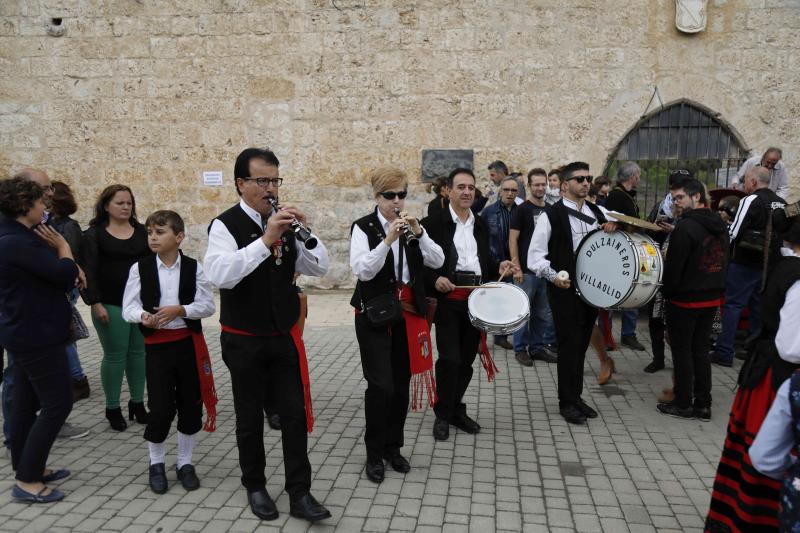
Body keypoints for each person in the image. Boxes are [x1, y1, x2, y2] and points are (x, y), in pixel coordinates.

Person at [204, 147, 331, 522]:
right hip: (243, 338)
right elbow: (220, 274)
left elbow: (320, 267)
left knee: (293, 415)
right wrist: (265, 239)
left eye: (275, 180)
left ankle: (300, 492)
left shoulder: (283, 222)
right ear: (241, 183)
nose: (270, 188)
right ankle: (255, 486)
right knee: (248, 418)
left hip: (282, 336)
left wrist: (306, 233)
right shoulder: (224, 225)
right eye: (262, 180)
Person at [349, 167, 444, 483]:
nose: (397, 201)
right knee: (381, 387)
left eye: (402, 194)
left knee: (401, 385)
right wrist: (387, 240)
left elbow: (437, 260)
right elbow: (363, 270)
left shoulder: (412, 227)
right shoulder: (363, 228)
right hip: (374, 316)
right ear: (377, 197)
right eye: (390, 196)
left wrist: (419, 233)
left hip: (407, 314)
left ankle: (393, 447)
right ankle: (374, 453)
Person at [705, 217, 800, 533]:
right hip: (778, 382)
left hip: (769, 376)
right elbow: (791, 346)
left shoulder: (786, 266)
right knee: (763, 464)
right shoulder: (796, 276)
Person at [122, 210, 216, 494]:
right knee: (161, 407)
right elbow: (128, 306)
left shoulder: (192, 267)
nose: (153, 237)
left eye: (160, 232)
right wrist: (143, 317)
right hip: (157, 347)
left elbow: (208, 305)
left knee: (190, 404)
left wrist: (181, 310)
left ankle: (185, 462)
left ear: (179, 237)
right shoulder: (140, 268)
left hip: (187, 343)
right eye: (150, 232)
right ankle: (156, 462)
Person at [421, 167, 517, 441]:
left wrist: (499, 265)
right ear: (448, 191)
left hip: (476, 300)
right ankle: (442, 414)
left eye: (470, 188)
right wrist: (435, 278)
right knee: (449, 359)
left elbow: (484, 261)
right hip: (448, 301)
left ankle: (454, 409)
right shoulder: (433, 223)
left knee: (466, 361)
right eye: (460, 187)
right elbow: (419, 265)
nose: (466, 192)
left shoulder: (481, 223)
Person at [0, 177, 80, 503]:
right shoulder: (16, 242)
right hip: (36, 335)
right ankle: (28, 480)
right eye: (39, 200)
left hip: (23, 332)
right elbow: (63, 274)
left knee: (24, 405)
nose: (45, 205)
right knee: (58, 403)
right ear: (24, 204)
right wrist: (64, 250)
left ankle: (29, 466)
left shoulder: (15, 236)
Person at [528, 161, 617, 424]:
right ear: (566, 185)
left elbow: (622, 230)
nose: (586, 183)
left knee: (580, 346)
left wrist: (615, 227)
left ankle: (576, 397)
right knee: (568, 345)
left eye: (588, 178)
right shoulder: (550, 215)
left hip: (591, 289)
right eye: (580, 179)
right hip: (564, 288)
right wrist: (554, 277)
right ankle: (566, 401)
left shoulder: (598, 211)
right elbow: (534, 257)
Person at [656, 178, 728, 420]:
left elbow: (675, 269)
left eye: (680, 198)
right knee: (700, 351)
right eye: (674, 199)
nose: (676, 203)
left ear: (696, 196)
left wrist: (667, 293)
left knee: (682, 352)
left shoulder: (685, 228)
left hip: (685, 300)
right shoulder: (719, 223)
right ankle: (703, 404)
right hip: (711, 297)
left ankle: (684, 403)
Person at [82, 185, 151, 432]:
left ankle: (137, 403)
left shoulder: (143, 232)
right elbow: (88, 272)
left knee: (138, 355)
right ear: (106, 206)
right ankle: (112, 407)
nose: (125, 207)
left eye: (129, 203)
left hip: (140, 305)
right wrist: (95, 302)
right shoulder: (93, 235)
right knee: (115, 356)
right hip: (109, 304)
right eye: (120, 203)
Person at [710, 166, 786, 367]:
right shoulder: (782, 203)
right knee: (757, 307)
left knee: (733, 305)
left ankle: (724, 351)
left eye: (745, 180)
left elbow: (733, 232)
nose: (743, 184)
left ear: (753, 181)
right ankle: (753, 351)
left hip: (744, 262)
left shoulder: (750, 200)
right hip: (769, 265)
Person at [509, 168, 557, 366]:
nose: (540, 188)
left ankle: (537, 348)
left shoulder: (551, 210)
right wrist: (517, 267)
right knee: (522, 312)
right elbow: (513, 240)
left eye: (543, 184)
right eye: (536, 184)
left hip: (544, 271)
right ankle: (520, 349)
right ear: (529, 186)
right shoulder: (522, 210)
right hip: (525, 272)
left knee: (541, 313)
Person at [50, 181, 91, 403]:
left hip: (68, 283)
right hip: (56, 282)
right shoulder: (50, 223)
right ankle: (73, 376)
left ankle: (77, 379)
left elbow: (72, 257)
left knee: (66, 334)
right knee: (65, 334)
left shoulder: (69, 225)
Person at [604, 162, 646, 351]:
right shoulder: (616, 195)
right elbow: (611, 220)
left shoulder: (627, 195)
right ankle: (607, 336)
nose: (639, 178)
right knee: (613, 294)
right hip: (619, 251)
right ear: (632, 177)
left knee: (632, 293)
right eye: (638, 175)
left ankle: (628, 334)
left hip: (631, 249)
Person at [481, 176, 519, 350]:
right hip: (494, 262)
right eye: (506, 190)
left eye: (513, 190)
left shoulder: (521, 211)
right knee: (490, 301)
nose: (510, 193)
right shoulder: (489, 212)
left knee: (508, 301)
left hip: (513, 263)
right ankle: (480, 338)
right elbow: (483, 240)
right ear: (500, 191)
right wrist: (492, 260)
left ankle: (501, 336)